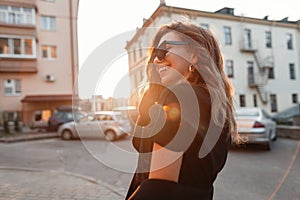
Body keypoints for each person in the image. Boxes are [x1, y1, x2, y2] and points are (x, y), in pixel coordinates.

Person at [125, 21, 240, 200]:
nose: (157, 59)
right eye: (155, 54)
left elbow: (158, 188)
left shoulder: (179, 96)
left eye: (164, 50)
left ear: (194, 55)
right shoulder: (217, 104)